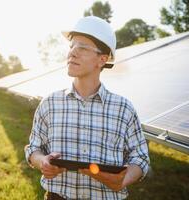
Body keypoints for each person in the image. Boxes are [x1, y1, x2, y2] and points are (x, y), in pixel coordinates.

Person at [25, 16, 150, 200]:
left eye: (82, 47)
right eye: (71, 47)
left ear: (102, 59)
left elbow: (140, 158)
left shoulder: (124, 109)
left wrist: (122, 181)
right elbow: (33, 148)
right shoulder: (50, 103)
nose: (72, 53)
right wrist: (42, 162)